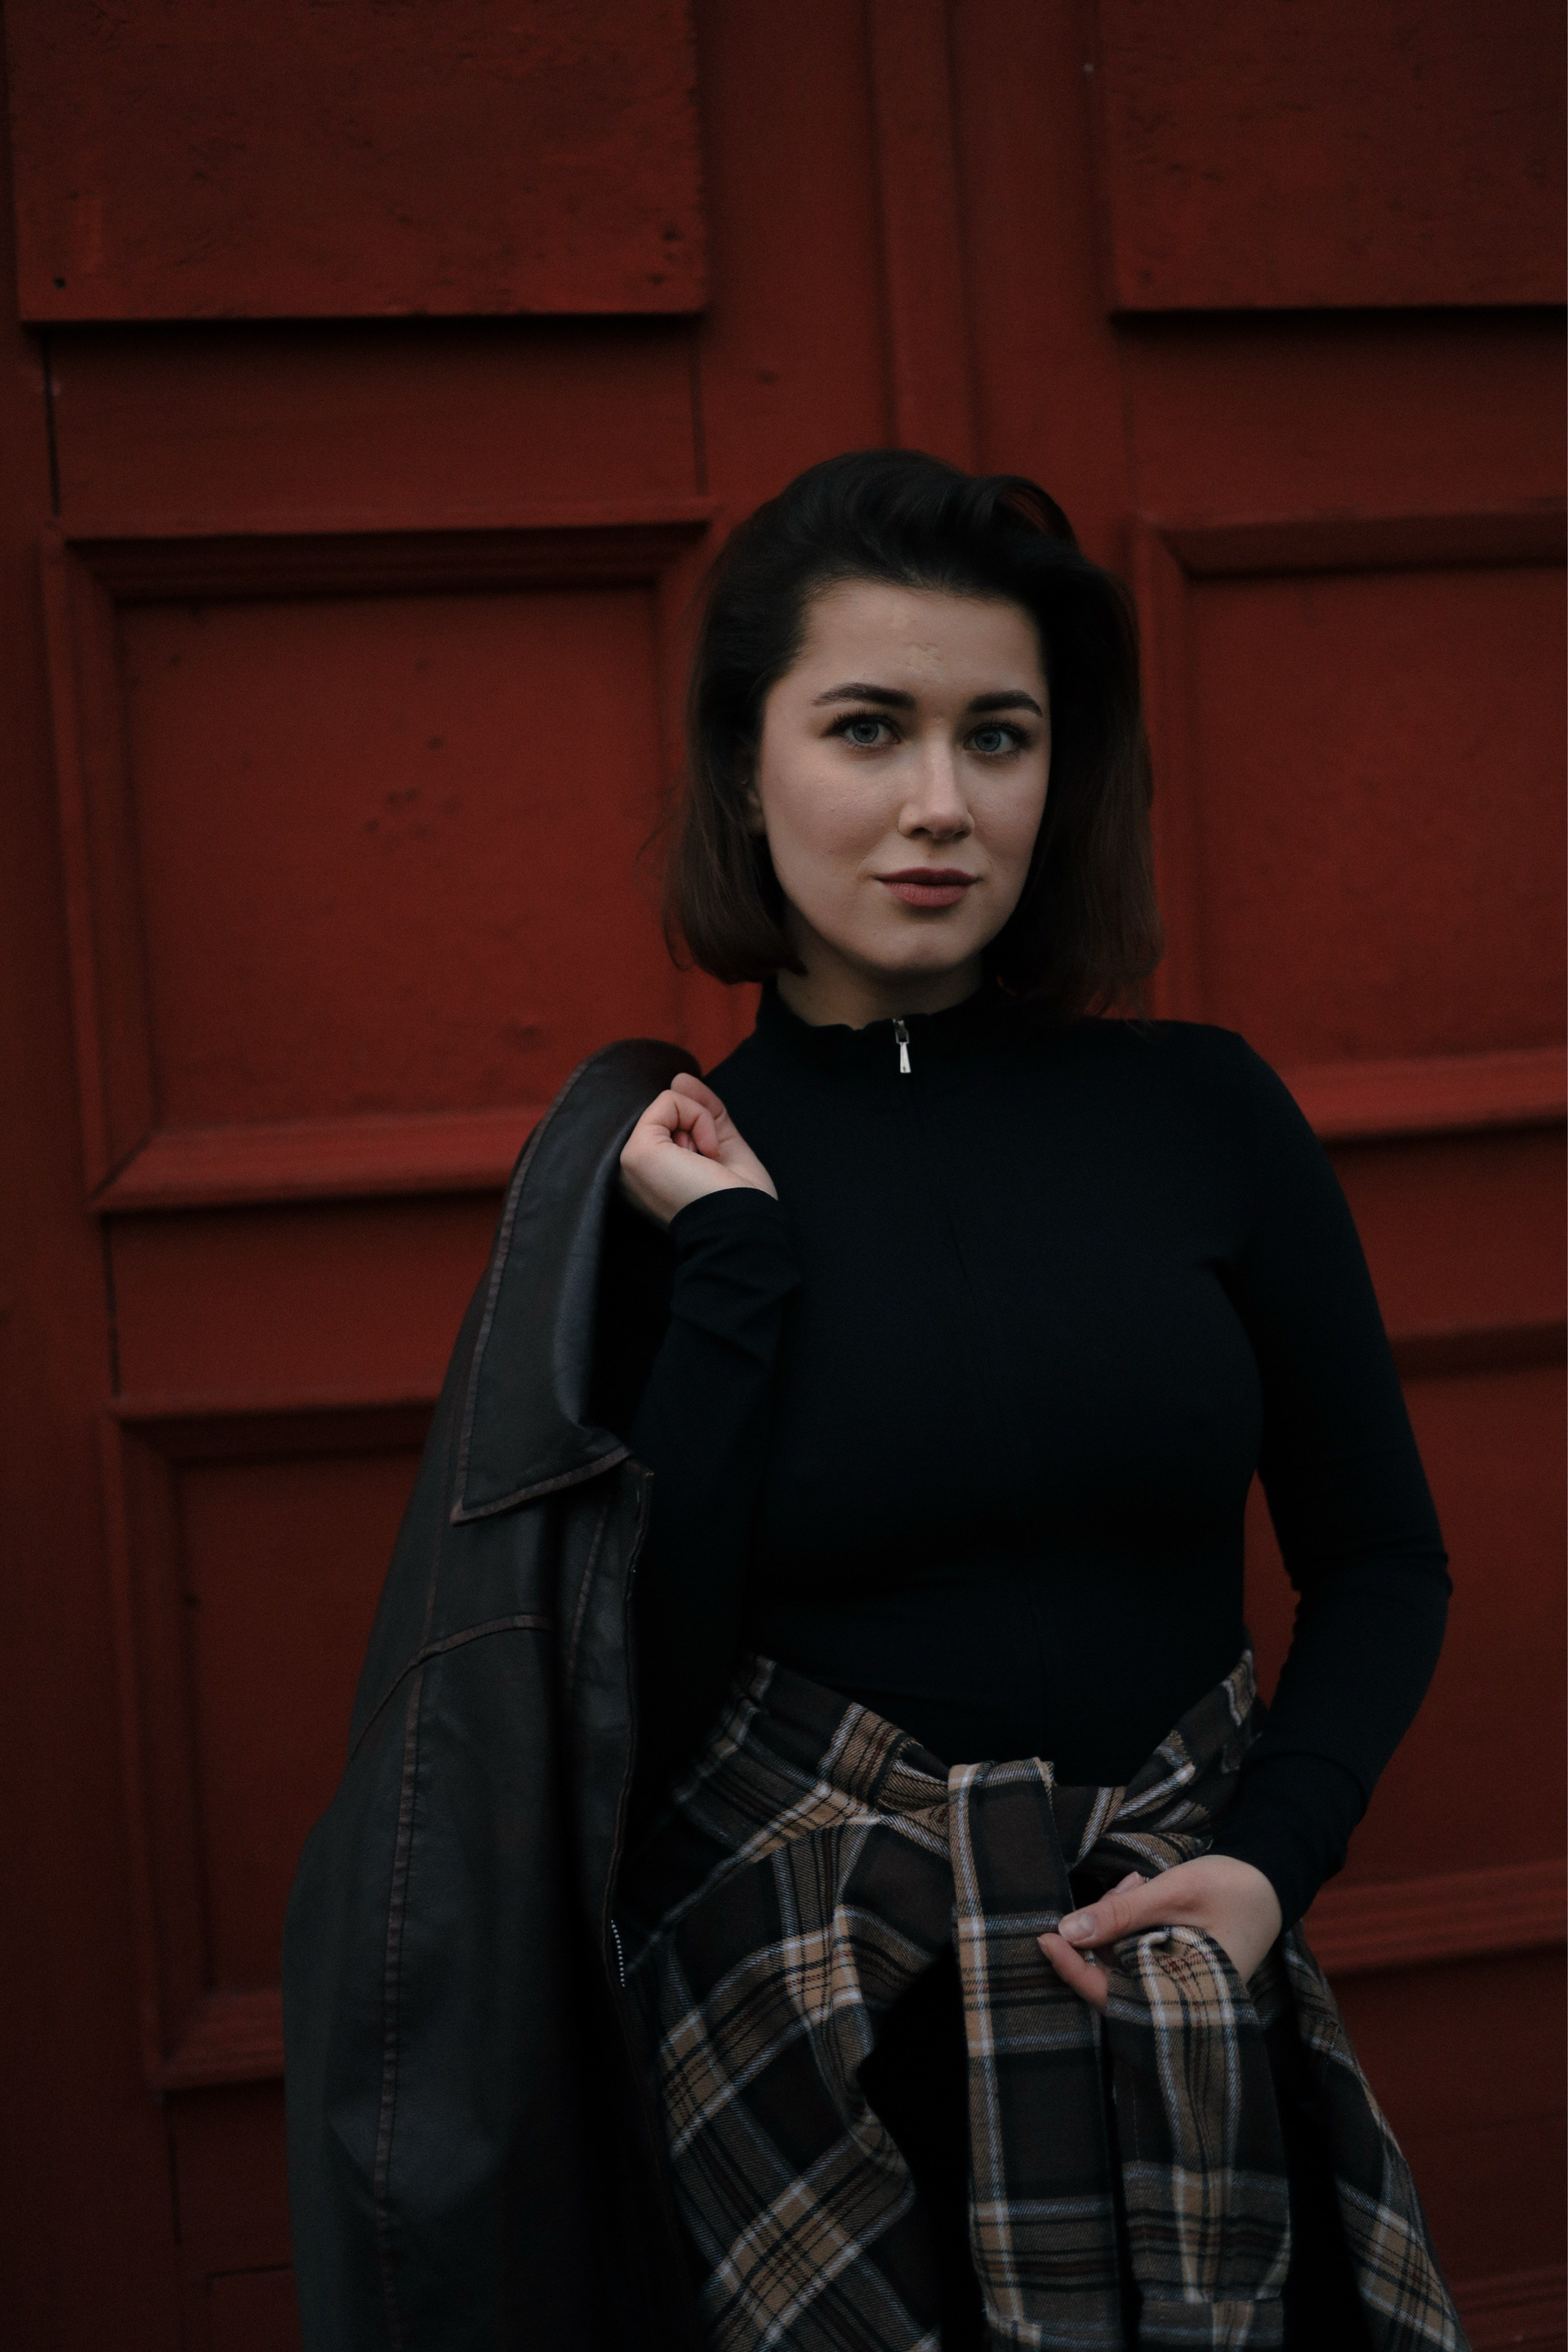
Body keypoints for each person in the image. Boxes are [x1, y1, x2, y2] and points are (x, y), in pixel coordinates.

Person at [605, 450, 1463, 2349]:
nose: (942, 803)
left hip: (1189, 2021)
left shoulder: (1205, 1114)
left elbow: (1385, 1563)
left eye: (998, 736)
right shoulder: (667, 1182)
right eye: (867, 728)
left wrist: (1267, 1867)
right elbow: (629, 1703)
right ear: (746, 764)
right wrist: (732, 1268)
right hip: (817, 2073)